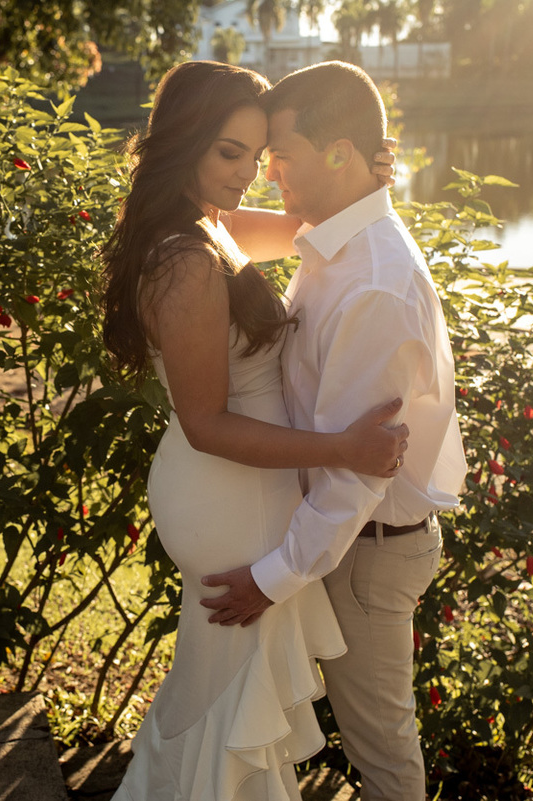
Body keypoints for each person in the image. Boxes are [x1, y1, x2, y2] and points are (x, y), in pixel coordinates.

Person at [101, 60, 408, 801]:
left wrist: (368, 170)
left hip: (238, 489)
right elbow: (206, 422)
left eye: (261, 153)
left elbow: (312, 220)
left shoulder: (209, 221)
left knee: (223, 692)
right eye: (230, 153)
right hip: (226, 493)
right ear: (186, 144)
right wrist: (342, 448)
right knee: (232, 700)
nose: (251, 173)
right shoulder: (187, 260)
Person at [200, 61, 468, 800]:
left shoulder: (375, 281)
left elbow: (358, 471)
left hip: (363, 551)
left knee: (382, 756)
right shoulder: (332, 243)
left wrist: (271, 576)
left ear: (340, 152)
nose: (269, 173)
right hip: (339, 543)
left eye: (281, 156)